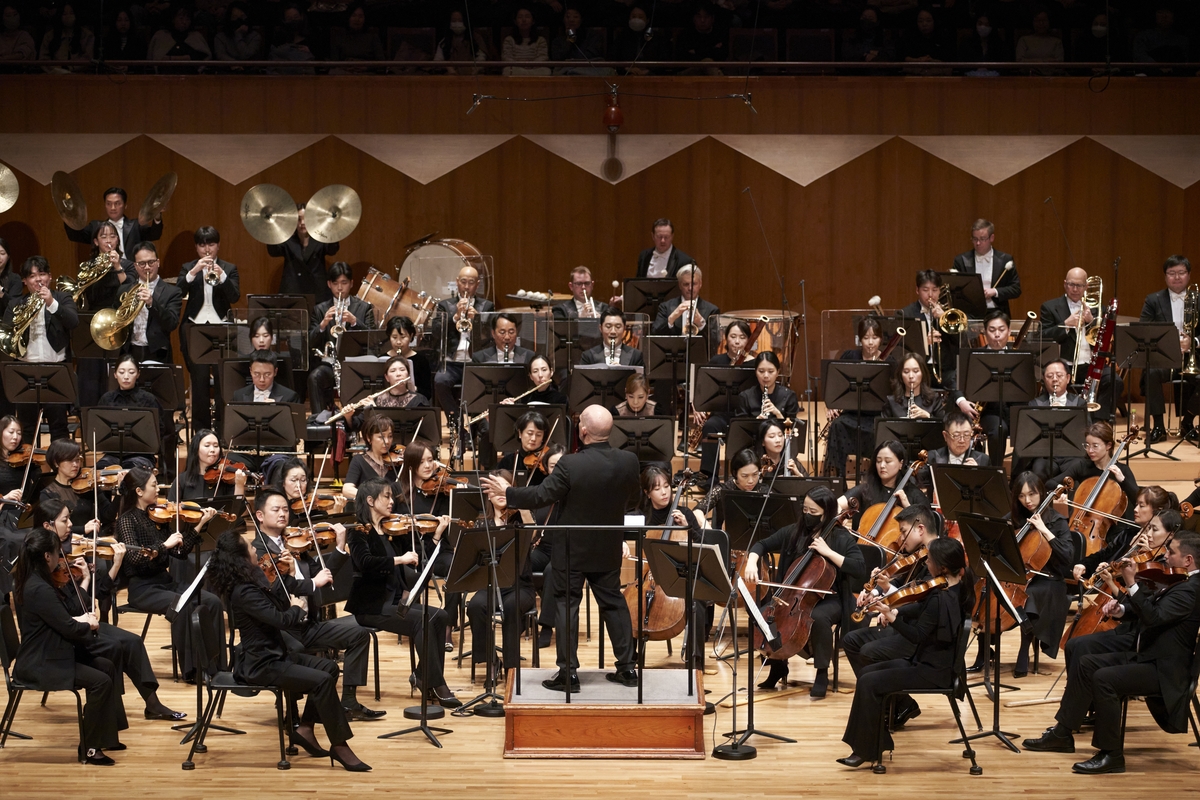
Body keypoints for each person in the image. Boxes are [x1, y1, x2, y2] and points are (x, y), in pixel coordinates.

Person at [481, 405, 641, 693]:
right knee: (613, 602)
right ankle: (628, 669)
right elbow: (633, 499)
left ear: (582, 431)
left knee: (568, 605)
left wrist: (508, 493)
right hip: (607, 545)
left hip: (572, 548)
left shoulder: (570, 464)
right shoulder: (629, 461)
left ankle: (568, 674)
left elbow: (542, 495)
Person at [1022, 528, 1200, 774]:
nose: (1166, 556)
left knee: (1103, 679)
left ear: (1188, 560)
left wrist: (1131, 583)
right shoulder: (1180, 580)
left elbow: (1155, 617)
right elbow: (1149, 614)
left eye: (1171, 552)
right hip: (1148, 653)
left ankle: (1112, 754)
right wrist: (1123, 611)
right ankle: (1063, 734)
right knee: (1086, 663)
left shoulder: (1191, 589)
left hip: (1165, 669)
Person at [206, 529, 371, 771]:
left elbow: (280, 593)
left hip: (275, 655)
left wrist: (292, 574)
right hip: (261, 665)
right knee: (323, 680)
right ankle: (340, 745)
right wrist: (297, 607)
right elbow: (281, 620)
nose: (256, 550)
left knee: (329, 667)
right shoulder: (244, 591)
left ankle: (304, 728)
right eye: (250, 548)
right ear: (241, 558)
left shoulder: (253, 580)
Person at [38, 495, 185, 722]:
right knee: (116, 646)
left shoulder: (66, 556)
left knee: (133, 642)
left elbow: (99, 595)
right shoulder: (45, 562)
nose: (72, 526)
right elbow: (68, 612)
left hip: (83, 620)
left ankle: (153, 704)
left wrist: (114, 566)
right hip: (66, 632)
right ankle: (111, 714)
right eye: (65, 521)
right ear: (47, 526)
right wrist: (86, 583)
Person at [836, 537, 974, 769]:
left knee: (869, 682)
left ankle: (866, 750)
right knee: (868, 674)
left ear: (943, 567)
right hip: (930, 663)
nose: (925, 562)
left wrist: (891, 617)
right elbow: (919, 605)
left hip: (932, 671)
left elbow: (917, 635)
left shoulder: (942, 598)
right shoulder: (952, 587)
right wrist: (891, 607)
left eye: (929, 559)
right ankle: (872, 746)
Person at [248, 488, 384, 720]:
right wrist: (300, 578)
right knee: (296, 651)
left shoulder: (295, 543)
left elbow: (321, 574)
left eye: (285, 509)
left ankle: (349, 701)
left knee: (359, 634)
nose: (283, 514)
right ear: (260, 516)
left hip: (308, 625)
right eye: (276, 510)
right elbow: (272, 592)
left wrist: (340, 547)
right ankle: (292, 714)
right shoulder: (258, 552)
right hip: (282, 628)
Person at [11, 528, 125, 765]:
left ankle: (106, 736)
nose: (61, 557)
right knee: (100, 681)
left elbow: (59, 618)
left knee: (107, 666)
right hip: (39, 662)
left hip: (51, 651)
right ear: (46, 556)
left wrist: (82, 619)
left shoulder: (37, 579)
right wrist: (90, 626)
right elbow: (67, 628)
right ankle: (90, 748)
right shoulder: (39, 588)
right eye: (58, 553)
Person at [345, 476, 460, 707]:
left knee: (441, 615)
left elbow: (416, 561)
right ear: (370, 500)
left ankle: (422, 674)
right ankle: (436, 684)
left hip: (395, 601)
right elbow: (365, 562)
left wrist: (436, 535)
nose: (391, 502)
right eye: (386, 496)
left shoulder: (391, 530)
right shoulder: (358, 532)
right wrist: (398, 559)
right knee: (423, 621)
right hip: (372, 606)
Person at [744, 486, 865, 698]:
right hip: (796, 596)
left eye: (813, 512)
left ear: (826, 513)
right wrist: (752, 562)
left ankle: (821, 672)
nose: (807, 515)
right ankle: (777, 665)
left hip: (831, 598)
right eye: (805, 510)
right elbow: (762, 544)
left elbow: (859, 567)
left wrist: (828, 553)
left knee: (818, 617)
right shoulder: (794, 531)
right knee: (767, 613)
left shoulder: (840, 538)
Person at [114, 467, 224, 681]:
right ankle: (193, 671)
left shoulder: (159, 517)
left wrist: (199, 524)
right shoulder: (127, 520)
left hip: (165, 583)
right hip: (143, 588)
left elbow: (180, 553)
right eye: (154, 485)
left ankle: (217, 666)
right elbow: (135, 559)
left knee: (213, 602)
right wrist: (164, 545)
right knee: (182, 606)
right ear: (138, 491)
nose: (158, 489)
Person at [842, 503, 941, 727]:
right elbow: (901, 582)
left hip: (920, 634)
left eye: (904, 531)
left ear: (920, 529)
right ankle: (899, 703)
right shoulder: (918, 555)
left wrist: (891, 607)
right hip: (903, 625)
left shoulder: (939, 558)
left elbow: (922, 599)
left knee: (868, 652)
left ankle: (883, 700)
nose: (900, 537)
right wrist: (879, 590)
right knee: (851, 640)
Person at [464, 468, 537, 675]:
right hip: (490, 585)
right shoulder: (481, 523)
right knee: (476, 605)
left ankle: (511, 665)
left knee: (512, 606)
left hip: (520, 587)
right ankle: (490, 660)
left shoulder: (521, 520)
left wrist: (518, 500)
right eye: (494, 490)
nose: (500, 494)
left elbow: (533, 535)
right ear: (487, 493)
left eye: (503, 489)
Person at [637, 465, 709, 667]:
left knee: (697, 601)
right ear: (647, 492)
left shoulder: (684, 512)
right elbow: (625, 534)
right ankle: (631, 660)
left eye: (667, 486)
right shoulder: (644, 516)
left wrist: (686, 525)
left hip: (682, 575)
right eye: (657, 488)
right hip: (651, 576)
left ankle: (696, 663)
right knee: (631, 602)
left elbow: (702, 544)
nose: (664, 492)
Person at [1008, 472, 1076, 678]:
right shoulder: (1014, 518)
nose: (1027, 501)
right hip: (1021, 577)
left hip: (1050, 579)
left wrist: (1044, 530)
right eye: (1021, 496)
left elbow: (1067, 557)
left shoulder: (1056, 520)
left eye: (1032, 494)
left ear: (1042, 493)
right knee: (989, 590)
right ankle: (985, 652)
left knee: (1033, 594)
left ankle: (1024, 647)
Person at [4, 256, 78, 442]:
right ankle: (29, 470)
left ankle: (61, 469)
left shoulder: (62, 298)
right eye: (32, 276)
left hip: (55, 369)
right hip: (24, 371)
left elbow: (73, 321)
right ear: (25, 281)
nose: (38, 279)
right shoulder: (15, 304)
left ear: (50, 277)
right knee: (26, 429)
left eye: (42, 274)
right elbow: (5, 334)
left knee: (59, 426)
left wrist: (51, 303)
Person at [178, 225, 240, 432]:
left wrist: (222, 276)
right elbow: (178, 291)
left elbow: (234, 296)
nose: (207, 250)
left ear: (218, 245)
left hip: (221, 328)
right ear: (197, 247)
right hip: (196, 328)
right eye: (203, 245)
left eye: (211, 244)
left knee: (223, 382)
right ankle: (200, 432)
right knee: (199, 381)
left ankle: (223, 430)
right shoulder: (188, 267)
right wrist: (194, 271)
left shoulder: (229, 268)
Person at [1040, 268, 1114, 419]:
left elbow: (1106, 339)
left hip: (1091, 364)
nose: (1075, 289)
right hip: (1066, 364)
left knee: (1114, 380)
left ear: (1086, 287)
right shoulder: (1049, 307)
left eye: (1079, 285)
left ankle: (1097, 421)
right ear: (1064, 284)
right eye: (1071, 284)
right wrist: (1066, 324)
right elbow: (1043, 336)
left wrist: (1091, 322)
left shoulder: (1098, 309)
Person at [308, 262, 377, 414]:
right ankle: (320, 423)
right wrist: (323, 324)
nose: (340, 288)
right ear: (329, 284)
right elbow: (310, 341)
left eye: (344, 283)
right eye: (335, 283)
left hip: (356, 364)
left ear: (351, 283)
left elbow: (374, 340)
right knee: (315, 377)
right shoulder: (320, 309)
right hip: (330, 364)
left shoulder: (364, 308)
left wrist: (354, 322)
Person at [1141, 255, 1194, 444]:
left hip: (1192, 357)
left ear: (1188, 275)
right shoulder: (1153, 300)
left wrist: (1193, 342)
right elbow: (1144, 329)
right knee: (1151, 373)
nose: (1177, 277)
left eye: (1181, 273)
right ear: (1165, 277)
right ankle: (1158, 426)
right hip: (1163, 357)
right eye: (1172, 273)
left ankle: (1187, 423)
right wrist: (1169, 344)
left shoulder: (1198, 299)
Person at [822, 319, 886, 477]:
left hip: (877, 417)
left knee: (881, 431)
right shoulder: (850, 356)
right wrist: (832, 405)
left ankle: (876, 480)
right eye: (866, 338)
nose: (870, 343)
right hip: (851, 413)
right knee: (837, 425)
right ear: (859, 339)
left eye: (875, 338)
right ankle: (838, 480)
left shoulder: (888, 360)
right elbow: (834, 385)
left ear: (881, 339)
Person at [97, 355, 176, 480]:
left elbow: (160, 430)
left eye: (131, 372)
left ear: (138, 374)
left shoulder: (148, 399)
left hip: (141, 455)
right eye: (121, 372)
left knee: (132, 473)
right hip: (113, 454)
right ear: (115, 374)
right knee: (99, 473)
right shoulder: (107, 399)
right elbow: (99, 430)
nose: (126, 376)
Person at [952, 310, 1016, 465]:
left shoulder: (1019, 355)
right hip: (988, 411)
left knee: (1027, 431)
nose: (997, 335)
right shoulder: (974, 355)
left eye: (1001, 330)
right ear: (985, 332)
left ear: (1009, 331)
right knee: (998, 430)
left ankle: (1017, 478)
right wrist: (961, 401)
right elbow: (955, 379)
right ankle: (995, 472)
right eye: (992, 330)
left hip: (1014, 408)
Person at [432, 265, 495, 415]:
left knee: (484, 386)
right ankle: (456, 421)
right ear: (457, 282)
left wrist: (477, 320)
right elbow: (435, 332)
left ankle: (476, 425)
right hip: (452, 363)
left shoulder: (487, 306)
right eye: (463, 282)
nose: (467, 286)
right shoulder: (445, 305)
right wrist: (455, 317)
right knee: (440, 381)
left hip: (476, 362)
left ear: (477, 284)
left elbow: (492, 335)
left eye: (471, 282)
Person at [1049, 421, 1139, 525]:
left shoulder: (1122, 470)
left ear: (1108, 445)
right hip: (1082, 521)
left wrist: (1123, 480)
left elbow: (1139, 500)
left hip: (1112, 528)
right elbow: (1050, 483)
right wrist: (1060, 489)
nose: (1090, 450)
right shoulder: (1082, 466)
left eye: (1095, 446)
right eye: (1087, 445)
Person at [695, 320, 754, 476]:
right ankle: (709, 478)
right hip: (721, 415)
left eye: (742, 337)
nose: (737, 341)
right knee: (710, 426)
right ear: (726, 338)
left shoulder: (754, 364)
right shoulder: (717, 361)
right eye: (733, 336)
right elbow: (702, 387)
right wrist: (697, 406)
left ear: (748, 340)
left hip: (745, 416)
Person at [840, 440, 930, 527]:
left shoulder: (914, 495)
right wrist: (839, 516)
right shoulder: (865, 490)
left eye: (888, 461)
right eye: (878, 461)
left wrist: (907, 507)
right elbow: (836, 504)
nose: (882, 465)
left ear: (901, 464)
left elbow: (926, 530)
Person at [118, 242, 183, 364]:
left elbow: (172, 323)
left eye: (151, 262)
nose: (147, 267)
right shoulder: (124, 290)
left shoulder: (172, 292)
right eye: (142, 263)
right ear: (135, 266)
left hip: (158, 353)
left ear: (158, 262)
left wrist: (152, 303)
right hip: (129, 352)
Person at [267, 203, 338, 304]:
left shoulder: (321, 238)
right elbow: (273, 252)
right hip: (292, 291)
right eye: (299, 219)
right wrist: (269, 227)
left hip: (317, 292)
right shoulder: (287, 240)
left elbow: (332, 250)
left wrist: (332, 226)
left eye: (306, 219)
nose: (302, 223)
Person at [64, 186, 162, 257]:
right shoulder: (96, 226)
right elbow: (74, 235)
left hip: (131, 274)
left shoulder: (136, 225)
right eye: (109, 204)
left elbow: (155, 234)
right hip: (104, 274)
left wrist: (157, 216)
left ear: (125, 205)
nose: (113, 208)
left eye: (117, 203)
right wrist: (67, 213)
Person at [951, 219, 1021, 316]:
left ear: (991, 238)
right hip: (970, 314)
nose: (978, 243)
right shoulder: (961, 260)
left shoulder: (1005, 259)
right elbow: (954, 290)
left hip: (998, 313)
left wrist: (995, 291)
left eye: (982, 239)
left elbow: (1016, 289)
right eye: (975, 239)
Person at [900, 270, 955, 389]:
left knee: (958, 379)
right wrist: (924, 343)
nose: (930, 294)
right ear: (917, 290)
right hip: (917, 369)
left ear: (940, 290)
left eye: (935, 290)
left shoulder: (948, 314)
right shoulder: (905, 314)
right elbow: (901, 348)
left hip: (944, 370)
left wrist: (944, 318)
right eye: (925, 290)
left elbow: (958, 342)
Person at [165, 428, 249, 505]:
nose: (212, 450)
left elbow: (235, 510)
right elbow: (171, 509)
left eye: (216, 446)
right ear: (196, 449)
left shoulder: (225, 479)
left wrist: (239, 485)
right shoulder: (182, 479)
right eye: (207, 445)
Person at [919, 410, 989, 494]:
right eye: (956, 435)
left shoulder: (983, 460)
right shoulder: (932, 457)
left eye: (967, 435)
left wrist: (977, 476)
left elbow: (990, 493)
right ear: (945, 436)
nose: (962, 440)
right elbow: (919, 486)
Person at [342, 414, 399, 502]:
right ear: (369, 438)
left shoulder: (397, 462)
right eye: (381, 437)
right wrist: (373, 497)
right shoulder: (359, 460)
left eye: (390, 436)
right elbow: (347, 489)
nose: (387, 441)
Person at [651, 264, 719, 337]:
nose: (690, 288)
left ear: (700, 284)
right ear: (680, 285)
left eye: (694, 284)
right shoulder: (665, 307)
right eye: (686, 284)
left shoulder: (712, 310)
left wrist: (701, 323)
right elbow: (654, 333)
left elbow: (716, 340)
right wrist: (672, 318)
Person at [498, 410, 552, 487]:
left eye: (539, 435)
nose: (533, 438)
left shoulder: (547, 462)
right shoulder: (507, 462)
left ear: (543, 437)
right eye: (530, 433)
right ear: (520, 433)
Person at [884, 353, 943, 420]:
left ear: (923, 373)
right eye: (906, 372)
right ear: (901, 376)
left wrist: (928, 417)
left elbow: (943, 427)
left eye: (916, 371)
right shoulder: (891, 401)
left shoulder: (934, 399)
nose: (911, 376)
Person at [385, 315, 432, 400]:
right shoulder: (383, 358)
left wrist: (414, 388)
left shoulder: (421, 361)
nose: (398, 342)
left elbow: (428, 393)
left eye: (403, 337)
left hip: (413, 403)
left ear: (411, 336)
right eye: (394, 337)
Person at [433, 8, 490, 74]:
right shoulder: (445, 40)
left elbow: (481, 59)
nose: (457, 23)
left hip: (473, 75)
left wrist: (475, 70)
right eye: (454, 21)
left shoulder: (476, 39)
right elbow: (437, 60)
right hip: (451, 76)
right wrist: (447, 67)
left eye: (460, 20)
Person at [38, 3, 94, 69]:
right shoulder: (49, 36)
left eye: (71, 13)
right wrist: (56, 69)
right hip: (54, 74)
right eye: (64, 14)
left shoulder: (87, 35)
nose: (68, 16)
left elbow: (88, 58)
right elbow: (43, 58)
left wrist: (71, 68)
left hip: (80, 75)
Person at [232, 350, 300, 403]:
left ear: (275, 372)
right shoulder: (238, 396)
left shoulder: (290, 397)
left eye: (267, 374)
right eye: (257, 374)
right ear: (251, 371)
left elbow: (295, 421)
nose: (262, 379)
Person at [147, 5, 211, 60]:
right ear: (173, 19)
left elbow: (202, 56)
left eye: (188, 19)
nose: (184, 22)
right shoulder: (161, 35)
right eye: (181, 18)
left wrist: (172, 59)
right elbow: (157, 58)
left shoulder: (196, 36)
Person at [502, 354, 568, 407]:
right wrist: (512, 408)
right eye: (535, 371)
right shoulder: (525, 398)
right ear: (531, 376)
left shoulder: (561, 399)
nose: (540, 375)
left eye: (544, 370)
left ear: (551, 372)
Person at [501, 7, 550, 75]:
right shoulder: (509, 40)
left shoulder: (540, 40)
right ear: (515, 21)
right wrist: (520, 67)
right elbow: (507, 58)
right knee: (507, 70)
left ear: (533, 21)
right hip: (516, 68)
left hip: (535, 68)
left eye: (527, 17)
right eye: (520, 17)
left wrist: (529, 66)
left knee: (545, 71)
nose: (524, 20)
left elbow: (542, 58)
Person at [0, 236, 22, 316]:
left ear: (8, 257)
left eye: (2, 253)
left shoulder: (15, 279)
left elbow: (16, 307)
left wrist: (1, 292)